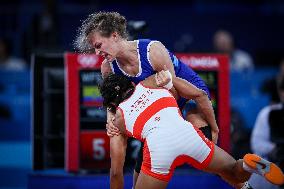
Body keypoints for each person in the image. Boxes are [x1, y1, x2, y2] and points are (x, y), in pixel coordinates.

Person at [74, 11, 218, 186]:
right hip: (159, 104)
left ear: (114, 35)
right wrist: (110, 118)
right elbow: (114, 100)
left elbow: (173, 94)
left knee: (204, 149)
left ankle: (241, 177)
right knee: (138, 175)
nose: (97, 52)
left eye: (98, 45)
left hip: (187, 96)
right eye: (94, 48)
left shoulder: (153, 50)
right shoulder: (108, 68)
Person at [99, 71, 284, 189]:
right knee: (233, 171)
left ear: (112, 104)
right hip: (189, 135)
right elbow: (199, 94)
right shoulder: (151, 82)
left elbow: (116, 173)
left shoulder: (118, 119)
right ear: (131, 84)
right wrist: (214, 127)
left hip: (159, 150)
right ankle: (248, 164)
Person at [249, 63, 284, 189]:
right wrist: (275, 149)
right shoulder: (268, 113)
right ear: (280, 93)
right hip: (273, 163)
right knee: (259, 165)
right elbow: (257, 144)